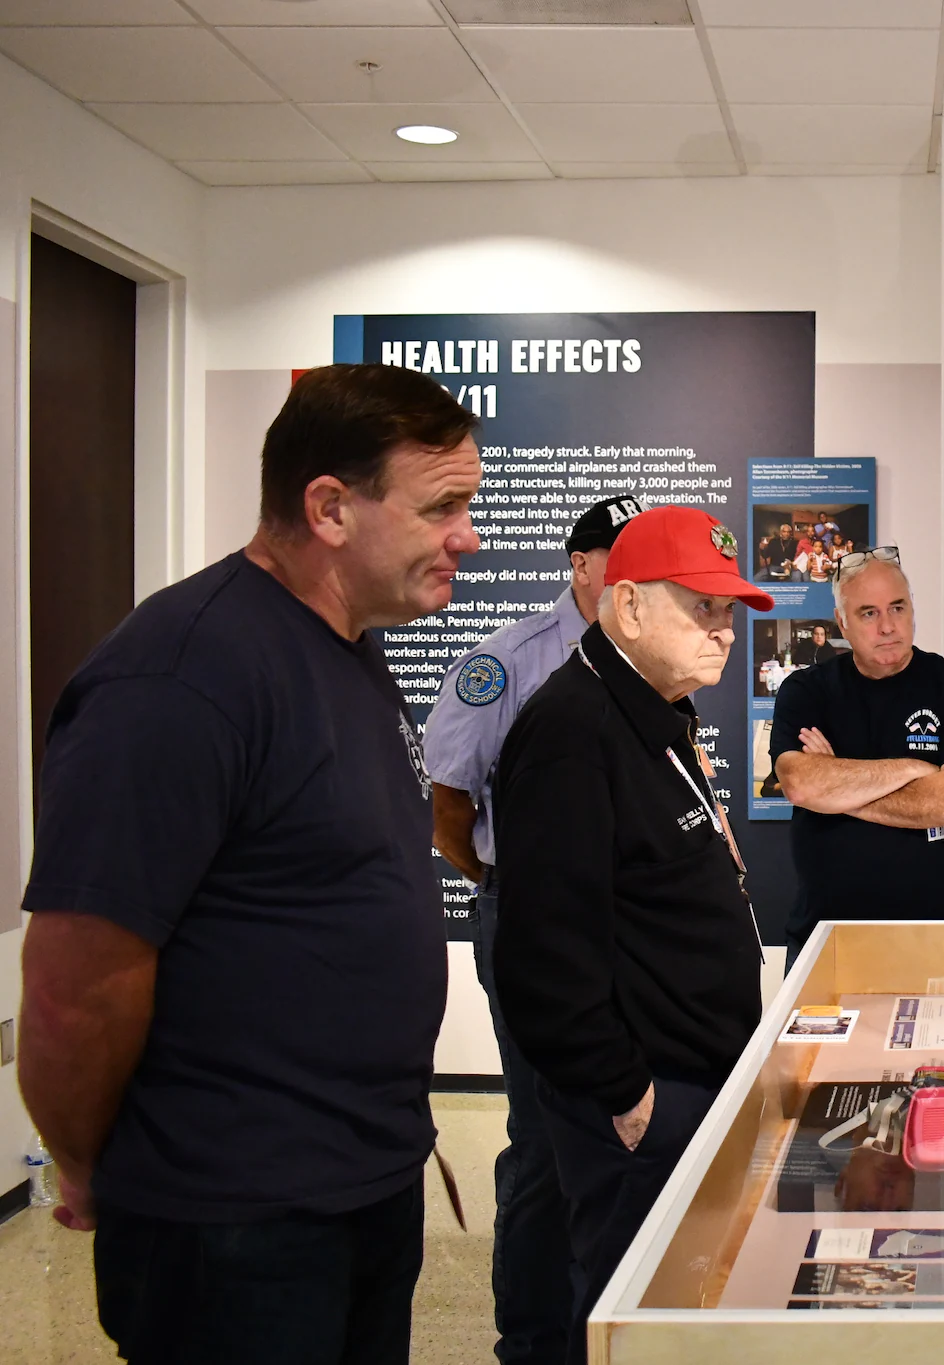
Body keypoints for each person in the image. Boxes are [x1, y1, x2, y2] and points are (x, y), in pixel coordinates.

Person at [17, 363, 481, 1362]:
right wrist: (85, 1164)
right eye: (442, 506)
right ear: (329, 509)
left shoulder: (350, 646)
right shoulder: (181, 676)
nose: (467, 536)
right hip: (231, 1217)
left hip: (361, 1182)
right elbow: (72, 989)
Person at [491, 505, 770, 1364]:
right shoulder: (573, 731)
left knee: (676, 1307)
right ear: (630, 607)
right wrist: (625, 1095)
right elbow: (542, 950)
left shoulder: (655, 708)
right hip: (644, 1102)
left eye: (729, 613)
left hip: (691, 1079)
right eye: (703, 608)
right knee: (627, 1314)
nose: (725, 634)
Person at [420, 491, 641, 1365]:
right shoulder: (509, 661)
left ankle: (607, 1326)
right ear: (581, 566)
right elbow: (447, 803)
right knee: (547, 1141)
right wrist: (513, 887)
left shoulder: (643, 658)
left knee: (618, 1128)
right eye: (618, 559)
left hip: (628, 924)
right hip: (532, 925)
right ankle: (534, 1340)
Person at [771, 548, 944, 950]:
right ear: (842, 621)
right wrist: (915, 768)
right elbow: (802, 786)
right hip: (828, 938)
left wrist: (838, 788)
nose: (888, 626)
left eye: (897, 607)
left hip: (941, 940)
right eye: (868, 613)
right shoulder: (806, 691)